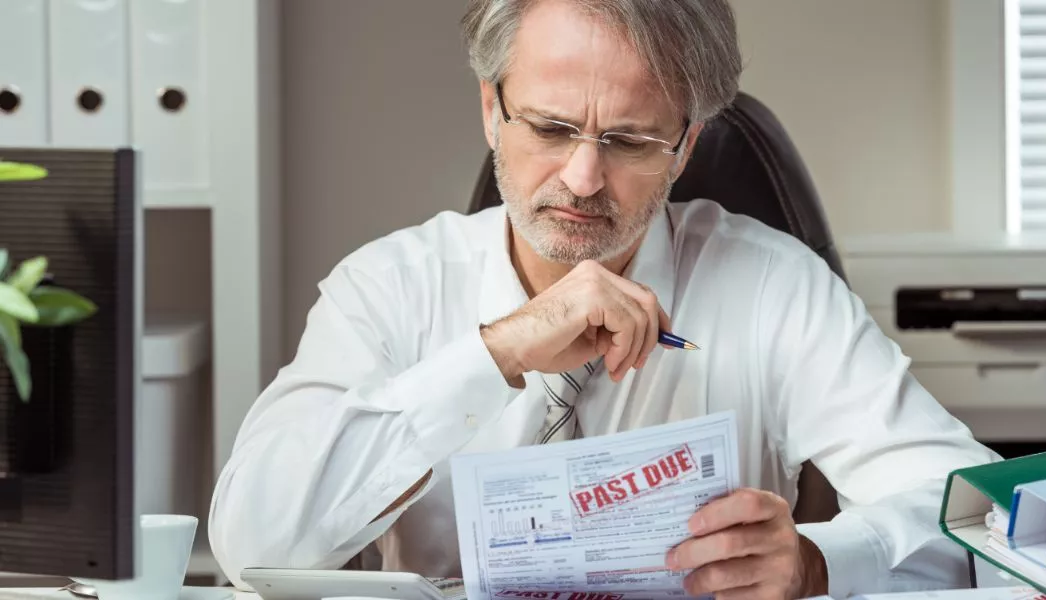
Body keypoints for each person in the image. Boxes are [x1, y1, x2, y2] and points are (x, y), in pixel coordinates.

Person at [209, 0, 998, 597]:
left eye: (628, 141)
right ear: (492, 109)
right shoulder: (389, 288)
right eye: (551, 129)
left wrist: (820, 561)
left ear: (686, 143)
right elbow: (251, 544)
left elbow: (985, 520)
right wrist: (495, 353)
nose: (583, 180)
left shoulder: (775, 288)